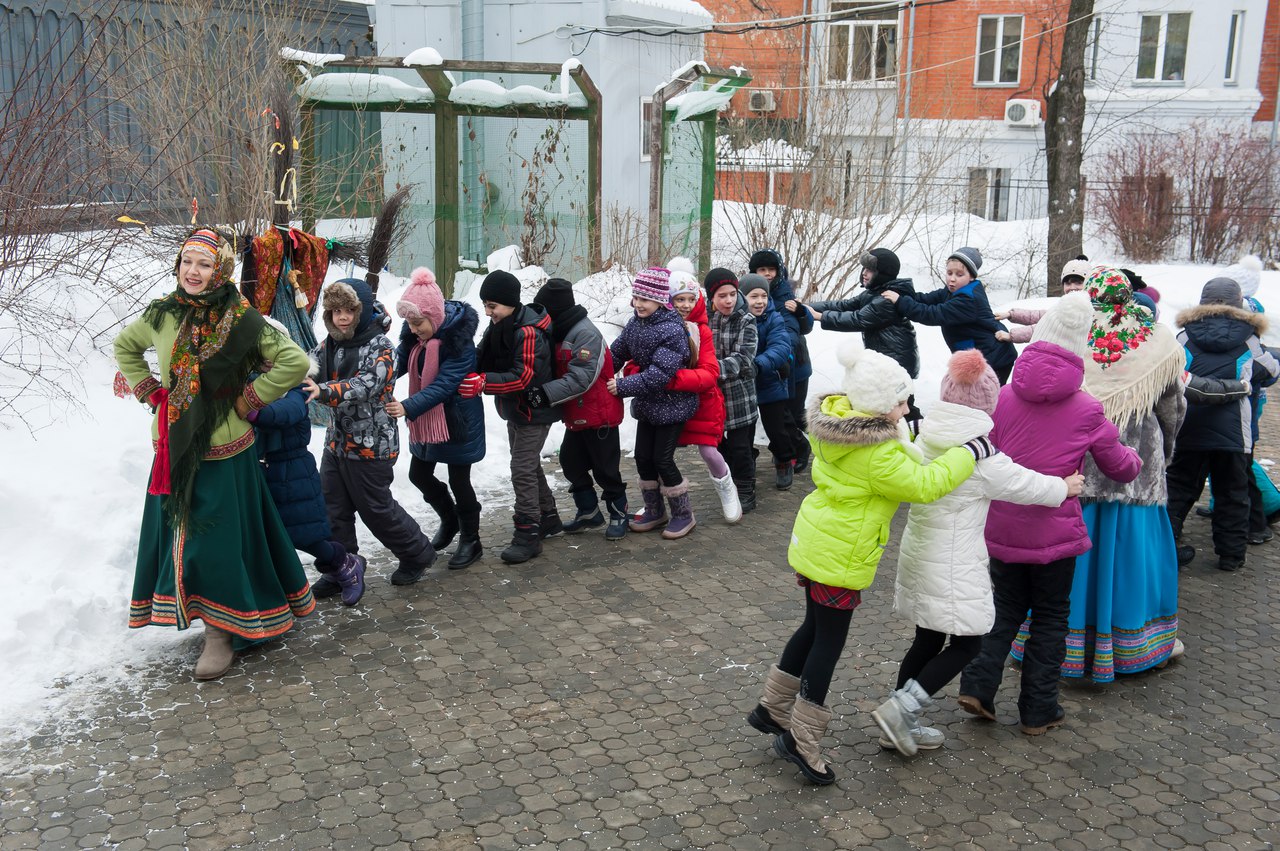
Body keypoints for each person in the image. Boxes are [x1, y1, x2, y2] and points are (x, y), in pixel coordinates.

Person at [747, 345, 994, 785]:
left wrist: (906, 433)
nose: (907, 408)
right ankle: (802, 739)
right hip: (842, 553)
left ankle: (772, 707)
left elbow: (893, 454)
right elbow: (925, 484)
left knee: (812, 628)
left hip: (819, 541)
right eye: (900, 402)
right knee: (828, 643)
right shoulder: (878, 453)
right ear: (880, 407)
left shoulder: (842, 425)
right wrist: (970, 452)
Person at [114, 228, 314, 680]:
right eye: (187, 261)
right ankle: (210, 617)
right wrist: (152, 394)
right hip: (172, 446)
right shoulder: (162, 313)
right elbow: (126, 346)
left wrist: (248, 400)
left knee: (217, 542)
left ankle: (221, 633)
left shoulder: (243, 319)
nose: (193, 271)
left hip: (224, 448)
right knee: (184, 537)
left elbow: (294, 362)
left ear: (220, 270)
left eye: (204, 264)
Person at [876, 351, 1081, 755]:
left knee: (927, 639)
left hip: (919, 552)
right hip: (954, 563)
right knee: (969, 643)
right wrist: (1065, 486)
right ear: (989, 404)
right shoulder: (979, 454)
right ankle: (901, 710)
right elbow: (1027, 486)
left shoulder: (927, 433)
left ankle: (899, 724)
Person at [958, 292, 1142, 736]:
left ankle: (979, 687)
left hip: (1000, 524)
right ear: (1081, 350)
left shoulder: (1002, 397)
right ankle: (1038, 710)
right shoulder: (1088, 408)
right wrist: (1134, 456)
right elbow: (1121, 468)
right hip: (1054, 535)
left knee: (1002, 610)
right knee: (1051, 617)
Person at [1009, 267, 1186, 682]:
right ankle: (1132, 646)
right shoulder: (1159, 342)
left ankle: (1056, 644)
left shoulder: (1068, 335)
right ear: (1129, 294)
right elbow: (1172, 410)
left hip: (1075, 466)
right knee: (1130, 556)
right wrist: (1167, 454)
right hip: (1134, 468)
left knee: (1068, 556)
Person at [308, 278, 437, 586]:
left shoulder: (381, 347)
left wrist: (322, 391)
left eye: (348, 310)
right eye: (335, 310)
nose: (341, 317)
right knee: (333, 508)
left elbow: (365, 384)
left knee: (375, 508)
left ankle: (417, 553)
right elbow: (308, 363)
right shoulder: (332, 342)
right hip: (337, 442)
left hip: (371, 446)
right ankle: (341, 567)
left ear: (361, 310)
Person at [1166, 277, 1279, 572]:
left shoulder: (1184, 338)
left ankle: (1165, 541)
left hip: (1189, 428)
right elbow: (1269, 371)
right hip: (1233, 435)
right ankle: (1230, 555)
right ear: (1238, 303)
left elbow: (1172, 371)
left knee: (1178, 488)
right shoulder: (1249, 340)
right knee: (1232, 493)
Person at [248, 326, 366, 607]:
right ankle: (277, 592)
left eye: (273, 351)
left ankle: (346, 564)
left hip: (292, 469)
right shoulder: (251, 382)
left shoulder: (297, 384)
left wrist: (251, 409)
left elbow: (287, 412)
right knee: (269, 536)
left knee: (306, 534)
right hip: (260, 469)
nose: (267, 358)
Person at [389, 267, 486, 571]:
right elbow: (395, 365)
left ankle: (472, 539)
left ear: (435, 316)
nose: (414, 329)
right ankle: (450, 520)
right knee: (419, 475)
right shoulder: (415, 338)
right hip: (427, 421)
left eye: (418, 323)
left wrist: (407, 406)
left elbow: (445, 385)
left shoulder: (460, 343)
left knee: (460, 481)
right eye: (409, 323)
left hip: (457, 420)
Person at [460, 270, 560, 564]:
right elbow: (480, 354)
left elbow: (524, 376)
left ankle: (528, 533)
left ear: (510, 303)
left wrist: (483, 382)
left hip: (534, 410)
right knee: (527, 464)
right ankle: (549, 516)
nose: (488, 312)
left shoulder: (528, 332)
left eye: (493, 306)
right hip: (515, 410)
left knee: (521, 468)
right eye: (485, 305)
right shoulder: (500, 325)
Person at [528, 277, 628, 540]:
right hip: (578, 415)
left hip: (600, 416)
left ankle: (619, 514)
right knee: (570, 463)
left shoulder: (585, 334)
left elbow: (582, 378)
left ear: (555, 311)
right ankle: (589, 512)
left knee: (606, 470)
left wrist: (544, 394)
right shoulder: (561, 331)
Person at [609, 267, 700, 539]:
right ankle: (655, 510)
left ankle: (684, 514)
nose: (638, 303)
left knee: (662, 459)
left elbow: (660, 374)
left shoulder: (672, 330)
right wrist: (596, 369)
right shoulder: (636, 323)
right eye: (636, 297)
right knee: (642, 457)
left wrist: (622, 386)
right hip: (649, 405)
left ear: (661, 300)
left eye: (644, 299)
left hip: (673, 405)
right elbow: (617, 351)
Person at [805, 247, 920, 419]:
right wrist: (807, 307)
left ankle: (916, 435)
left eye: (870, 270)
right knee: (890, 405)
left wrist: (820, 317)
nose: (864, 273)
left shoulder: (888, 299)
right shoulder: (875, 292)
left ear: (882, 274)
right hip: (886, 357)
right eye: (864, 269)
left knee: (901, 406)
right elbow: (844, 306)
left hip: (897, 360)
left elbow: (858, 319)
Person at [666, 261, 741, 523]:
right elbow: (635, 366)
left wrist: (669, 379)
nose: (685, 305)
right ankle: (657, 505)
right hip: (667, 403)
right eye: (678, 299)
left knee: (709, 452)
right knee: (657, 454)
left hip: (702, 402)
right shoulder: (654, 328)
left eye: (690, 299)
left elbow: (710, 373)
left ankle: (726, 488)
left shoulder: (702, 330)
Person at [884, 247, 1017, 383]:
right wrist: (901, 291)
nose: (952, 279)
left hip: (993, 358)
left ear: (971, 277)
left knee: (982, 400)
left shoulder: (968, 299)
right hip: (976, 356)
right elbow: (925, 299)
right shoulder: (952, 290)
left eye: (959, 275)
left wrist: (900, 301)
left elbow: (932, 314)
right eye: (949, 273)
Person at [749, 248, 814, 471]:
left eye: (771, 269)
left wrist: (801, 312)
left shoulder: (786, 296)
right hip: (772, 366)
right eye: (761, 269)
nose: (767, 274)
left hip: (794, 364)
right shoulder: (749, 293)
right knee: (780, 415)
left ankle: (800, 449)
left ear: (779, 271)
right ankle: (786, 452)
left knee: (792, 414)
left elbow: (798, 330)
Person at [705, 268, 760, 513]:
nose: (728, 300)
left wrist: (708, 369)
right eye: (721, 296)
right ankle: (731, 480)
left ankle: (746, 489)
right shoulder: (707, 318)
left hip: (739, 396)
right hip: (712, 396)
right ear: (711, 299)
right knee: (716, 445)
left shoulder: (746, 320)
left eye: (731, 294)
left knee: (741, 448)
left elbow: (743, 359)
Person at [740, 273, 800, 490]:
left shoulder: (774, 318)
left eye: (764, 296)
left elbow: (781, 346)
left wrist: (759, 364)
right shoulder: (736, 319)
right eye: (753, 296)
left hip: (769, 381)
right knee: (743, 431)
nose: (760, 301)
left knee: (776, 429)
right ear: (742, 297)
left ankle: (784, 460)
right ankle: (747, 461)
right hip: (743, 385)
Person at [996, 255, 1092, 344]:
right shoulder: (1068, 306)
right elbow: (1039, 316)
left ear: (1089, 284)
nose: (1072, 287)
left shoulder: (1083, 310)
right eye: (1067, 283)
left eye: (1078, 283)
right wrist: (1010, 314)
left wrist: (1011, 335)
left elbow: (1046, 326)